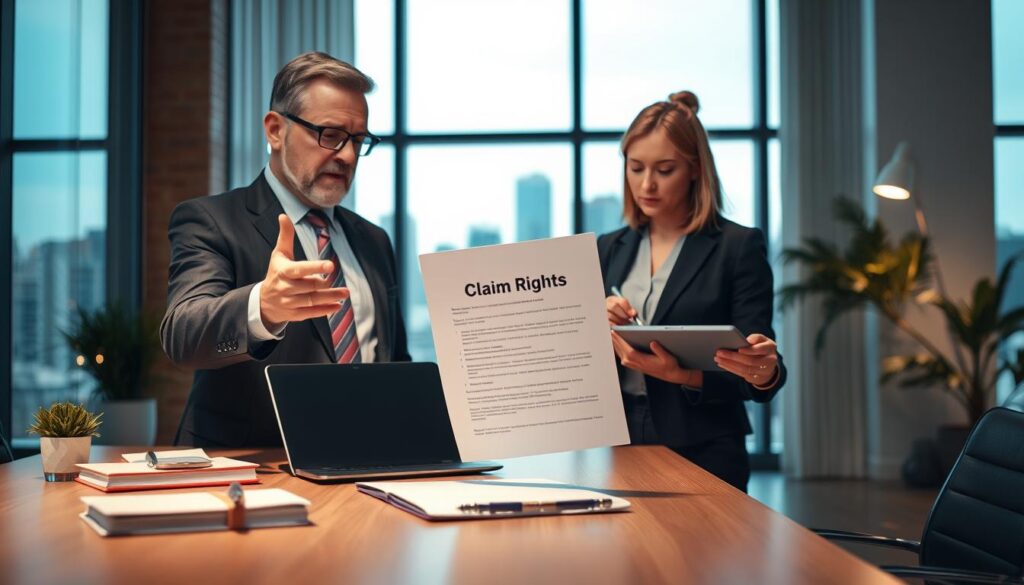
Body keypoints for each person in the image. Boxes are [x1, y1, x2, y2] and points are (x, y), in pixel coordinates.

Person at [161, 52, 411, 448]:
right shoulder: (210, 220)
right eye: (330, 135)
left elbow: (395, 362)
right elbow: (183, 335)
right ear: (275, 130)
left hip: (367, 467)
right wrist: (264, 306)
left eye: (358, 140)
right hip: (250, 478)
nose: (347, 155)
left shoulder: (373, 240)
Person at [598, 91, 786, 492]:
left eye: (665, 170)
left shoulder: (738, 247)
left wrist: (685, 375)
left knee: (702, 554)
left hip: (705, 444)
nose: (646, 184)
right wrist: (595, 324)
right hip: (619, 440)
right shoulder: (608, 248)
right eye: (635, 168)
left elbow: (758, 375)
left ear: (696, 169)